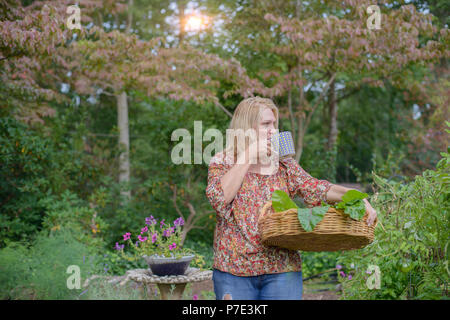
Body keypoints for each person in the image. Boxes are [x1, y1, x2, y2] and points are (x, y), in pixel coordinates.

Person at [205, 96, 377, 300]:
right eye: (266, 124)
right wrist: (248, 156)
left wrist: (357, 198)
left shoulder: (284, 164)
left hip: (282, 271)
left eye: (275, 124)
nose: (273, 130)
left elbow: (317, 187)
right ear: (247, 128)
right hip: (233, 271)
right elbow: (219, 199)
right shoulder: (223, 161)